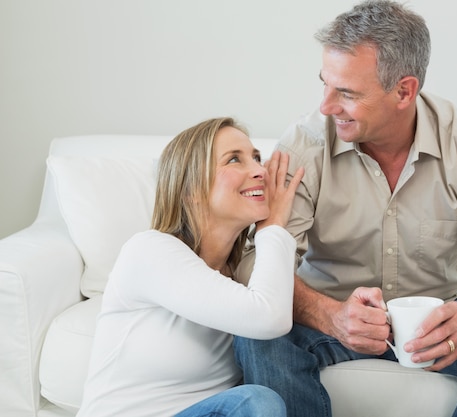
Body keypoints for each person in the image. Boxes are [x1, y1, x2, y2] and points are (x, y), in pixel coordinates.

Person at [233, 2, 457, 417]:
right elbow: (257, 265)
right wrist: (331, 316)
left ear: (404, 90)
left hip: (437, 325)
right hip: (330, 321)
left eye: (347, 93)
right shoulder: (303, 146)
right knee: (257, 336)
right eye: (326, 85)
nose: (327, 106)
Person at [77, 117, 305, 417]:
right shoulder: (149, 251)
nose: (259, 171)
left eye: (257, 158)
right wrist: (273, 226)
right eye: (235, 159)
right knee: (256, 402)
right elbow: (270, 318)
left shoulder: (242, 280)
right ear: (191, 189)